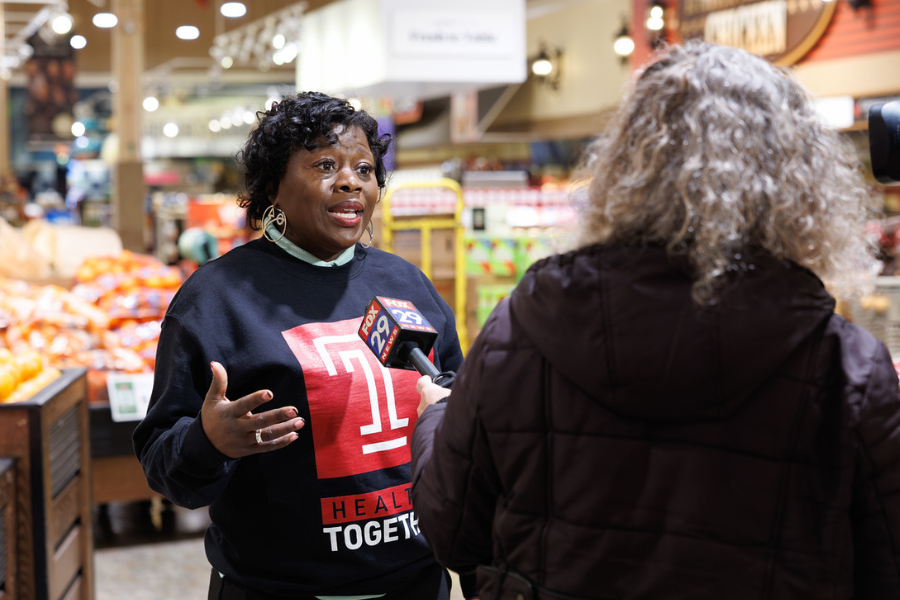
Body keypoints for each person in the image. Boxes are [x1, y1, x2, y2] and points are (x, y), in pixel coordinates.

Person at [410, 41, 899, 599]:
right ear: (801, 183)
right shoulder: (846, 368)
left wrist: (434, 419)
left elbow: (453, 532)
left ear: (624, 165)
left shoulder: (519, 333)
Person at [133, 91, 463, 600]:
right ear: (273, 187)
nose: (351, 180)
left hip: (417, 582)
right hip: (274, 588)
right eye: (325, 165)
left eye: (365, 168)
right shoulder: (216, 299)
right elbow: (164, 464)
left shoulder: (406, 283)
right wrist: (207, 440)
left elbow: (461, 407)